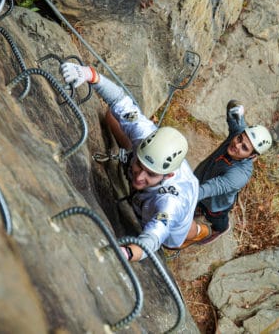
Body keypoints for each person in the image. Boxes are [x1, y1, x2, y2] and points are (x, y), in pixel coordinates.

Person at [61, 63, 212, 260]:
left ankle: (204, 232)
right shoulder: (146, 136)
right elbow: (120, 101)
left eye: (150, 173)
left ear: (169, 175)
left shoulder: (170, 204)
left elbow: (152, 239)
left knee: (181, 232)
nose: (139, 177)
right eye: (140, 165)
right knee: (112, 117)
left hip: (179, 208)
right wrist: (90, 75)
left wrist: (128, 252)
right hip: (159, 181)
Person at [193, 100, 273, 244]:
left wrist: (186, 194)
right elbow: (232, 108)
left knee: (215, 216)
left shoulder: (240, 175)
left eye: (244, 148)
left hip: (216, 203)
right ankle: (198, 206)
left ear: (252, 156)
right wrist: (236, 108)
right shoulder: (238, 133)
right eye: (239, 138)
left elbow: (212, 187)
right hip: (202, 179)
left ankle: (220, 229)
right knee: (198, 201)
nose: (236, 145)